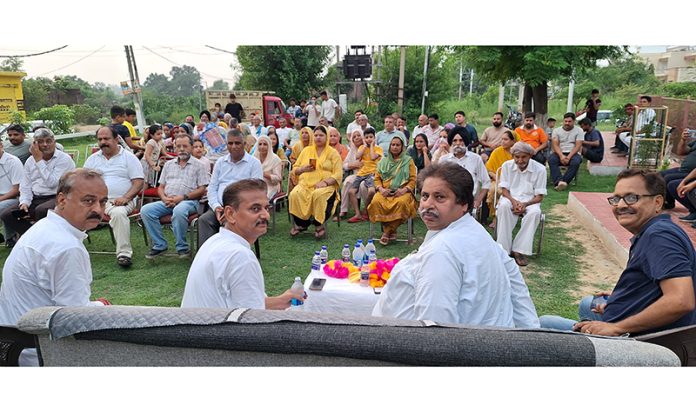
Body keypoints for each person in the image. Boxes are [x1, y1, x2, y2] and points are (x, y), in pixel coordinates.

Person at [372, 162, 539, 328]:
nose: (428, 205)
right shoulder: (477, 233)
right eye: (425, 196)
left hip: (413, 344)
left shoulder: (442, 252)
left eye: (439, 197)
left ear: (464, 204)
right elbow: (519, 292)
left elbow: (435, 327)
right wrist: (530, 332)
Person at [540, 169, 696, 336]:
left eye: (631, 198)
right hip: (634, 325)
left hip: (639, 341)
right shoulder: (654, 230)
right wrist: (626, 296)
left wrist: (616, 328)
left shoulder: (659, 237)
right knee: (589, 303)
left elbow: (681, 301)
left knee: (543, 323)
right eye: (616, 199)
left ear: (657, 202)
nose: (621, 205)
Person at [0, 168, 111, 366]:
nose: (98, 209)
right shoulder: (67, 247)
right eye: (88, 200)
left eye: (102, 201)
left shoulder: (42, 229)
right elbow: (75, 320)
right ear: (61, 200)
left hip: (15, 347)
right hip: (42, 354)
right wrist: (101, 306)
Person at [181, 179, 304, 310]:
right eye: (255, 208)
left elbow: (241, 304)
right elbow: (250, 320)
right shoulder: (240, 257)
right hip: (215, 329)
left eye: (266, 208)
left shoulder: (214, 241)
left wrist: (279, 301)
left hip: (197, 326)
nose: (266, 215)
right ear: (230, 214)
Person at [0, 128, 75, 244]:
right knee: (7, 214)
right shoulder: (30, 161)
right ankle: (36, 238)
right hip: (35, 198)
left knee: (41, 210)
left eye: (48, 141)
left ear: (54, 142)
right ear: (34, 144)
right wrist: (25, 202)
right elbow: (25, 185)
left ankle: (43, 241)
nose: (45, 145)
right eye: (40, 141)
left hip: (58, 196)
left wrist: (39, 161)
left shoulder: (64, 159)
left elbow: (52, 184)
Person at [83, 126, 145, 267]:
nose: (103, 142)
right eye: (100, 139)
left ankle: (124, 254)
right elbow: (83, 181)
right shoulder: (93, 159)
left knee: (118, 213)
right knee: (72, 211)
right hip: (96, 201)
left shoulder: (129, 157)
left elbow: (138, 182)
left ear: (117, 139)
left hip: (121, 200)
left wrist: (126, 197)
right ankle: (71, 251)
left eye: (106, 138)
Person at [141, 135, 210, 258]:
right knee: (146, 210)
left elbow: (202, 189)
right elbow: (161, 187)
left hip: (189, 201)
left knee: (179, 210)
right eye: (178, 146)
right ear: (174, 147)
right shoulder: (168, 165)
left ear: (191, 147)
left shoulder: (199, 165)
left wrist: (182, 198)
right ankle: (160, 244)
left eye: (185, 146)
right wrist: (163, 198)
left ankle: (182, 247)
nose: (182, 149)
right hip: (168, 201)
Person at [198, 129, 263, 247]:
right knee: (204, 220)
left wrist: (231, 210)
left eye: (237, 143)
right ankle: (207, 257)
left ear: (244, 144)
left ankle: (228, 257)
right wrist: (217, 207)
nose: (234, 146)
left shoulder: (254, 163)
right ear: (226, 144)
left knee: (229, 223)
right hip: (219, 207)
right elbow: (212, 188)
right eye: (230, 143)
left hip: (241, 209)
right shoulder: (220, 162)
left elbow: (256, 192)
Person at [496, 142, 547, 267]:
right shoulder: (507, 166)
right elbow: (504, 190)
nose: (520, 160)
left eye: (523, 157)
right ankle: (503, 250)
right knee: (503, 207)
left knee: (535, 213)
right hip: (510, 198)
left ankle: (519, 250)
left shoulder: (540, 169)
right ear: (513, 156)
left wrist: (525, 204)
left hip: (530, 201)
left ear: (530, 155)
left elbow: (539, 196)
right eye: (516, 157)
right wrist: (514, 202)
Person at [288, 125, 342, 239]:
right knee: (295, 194)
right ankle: (301, 224)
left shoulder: (333, 153)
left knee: (318, 195)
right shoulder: (306, 151)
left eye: (321, 135)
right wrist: (303, 169)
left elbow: (338, 174)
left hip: (325, 185)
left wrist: (325, 183)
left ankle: (319, 225)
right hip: (305, 184)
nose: (318, 138)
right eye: (316, 135)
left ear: (326, 136)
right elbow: (295, 168)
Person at [367, 136, 417, 246]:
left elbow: (413, 179)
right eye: (393, 145)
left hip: (402, 192)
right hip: (385, 191)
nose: (395, 147)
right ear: (390, 147)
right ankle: (392, 230)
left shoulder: (408, 161)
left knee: (402, 203)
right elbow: (377, 179)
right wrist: (381, 189)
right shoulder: (383, 161)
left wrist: (404, 190)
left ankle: (386, 232)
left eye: (397, 145)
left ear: (402, 147)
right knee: (376, 202)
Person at [440, 127, 490, 212]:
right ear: (451, 143)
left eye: (461, 140)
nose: (458, 143)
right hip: (448, 201)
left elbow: (486, 182)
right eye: (455, 141)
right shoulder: (444, 160)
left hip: (469, 202)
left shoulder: (476, 159)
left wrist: (478, 201)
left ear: (466, 142)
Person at [347, 127, 383, 223]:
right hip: (361, 173)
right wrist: (363, 147)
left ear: (374, 138)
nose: (368, 139)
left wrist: (371, 146)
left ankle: (366, 210)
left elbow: (372, 157)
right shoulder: (361, 147)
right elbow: (357, 156)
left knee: (371, 191)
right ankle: (358, 214)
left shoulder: (378, 149)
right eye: (366, 137)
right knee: (351, 191)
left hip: (372, 173)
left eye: (371, 137)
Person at [661, 127, 696, 216]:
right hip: (685, 170)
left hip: (691, 173)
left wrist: (689, 182)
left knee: (670, 180)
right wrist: (683, 140)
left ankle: (693, 210)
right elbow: (681, 152)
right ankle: (667, 201)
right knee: (659, 175)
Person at [485, 130, 516, 224]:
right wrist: (499, 180)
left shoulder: (518, 154)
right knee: (494, 190)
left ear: (513, 141)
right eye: (501, 139)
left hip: (514, 181)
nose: (502, 141)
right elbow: (489, 170)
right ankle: (496, 217)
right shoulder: (497, 151)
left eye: (505, 139)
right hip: (497, 180)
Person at [338, 129, 369, 221]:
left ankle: (368, 209)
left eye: (358, 135)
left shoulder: (369, 147)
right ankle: (343, 210)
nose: (356, 138)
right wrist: (353, 165)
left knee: (364, 184)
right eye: (354, 137)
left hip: (369, 174)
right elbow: (344, 165)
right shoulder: (352, 151)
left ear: (363, 137)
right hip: (357, 174)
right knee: (348, 181)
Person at [549, 112, 584, 191]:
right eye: (566, 121)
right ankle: (559, 182)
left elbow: (578, 146)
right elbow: (555, 145)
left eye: (569, 121)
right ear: (563, 121)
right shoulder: (556, 131)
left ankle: (564, 182)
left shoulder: (579, 130)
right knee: (551, 159)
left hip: (573, 153)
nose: (567, 123)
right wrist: (561, 156)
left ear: (574, 121)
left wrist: (568, 157)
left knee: (576, 162)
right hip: (559, 152)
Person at [0, 139, 23, 244]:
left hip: (14, 198)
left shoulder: (13, 161)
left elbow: (16, 190)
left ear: (1, 145)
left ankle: (10, 237)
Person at [141, 124, 167, 189]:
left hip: (152, 164)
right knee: (145, 183)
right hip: (147, 163)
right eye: (158, 134)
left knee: (150, 183)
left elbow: (164, 153)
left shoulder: (159, 142)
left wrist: (174, 157)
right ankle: (140, 197)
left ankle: (145, 198)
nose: (161, 135)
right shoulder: (151, 142)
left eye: (161, 133)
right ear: (152, 135)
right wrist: (153, 166)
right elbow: (147, 155)